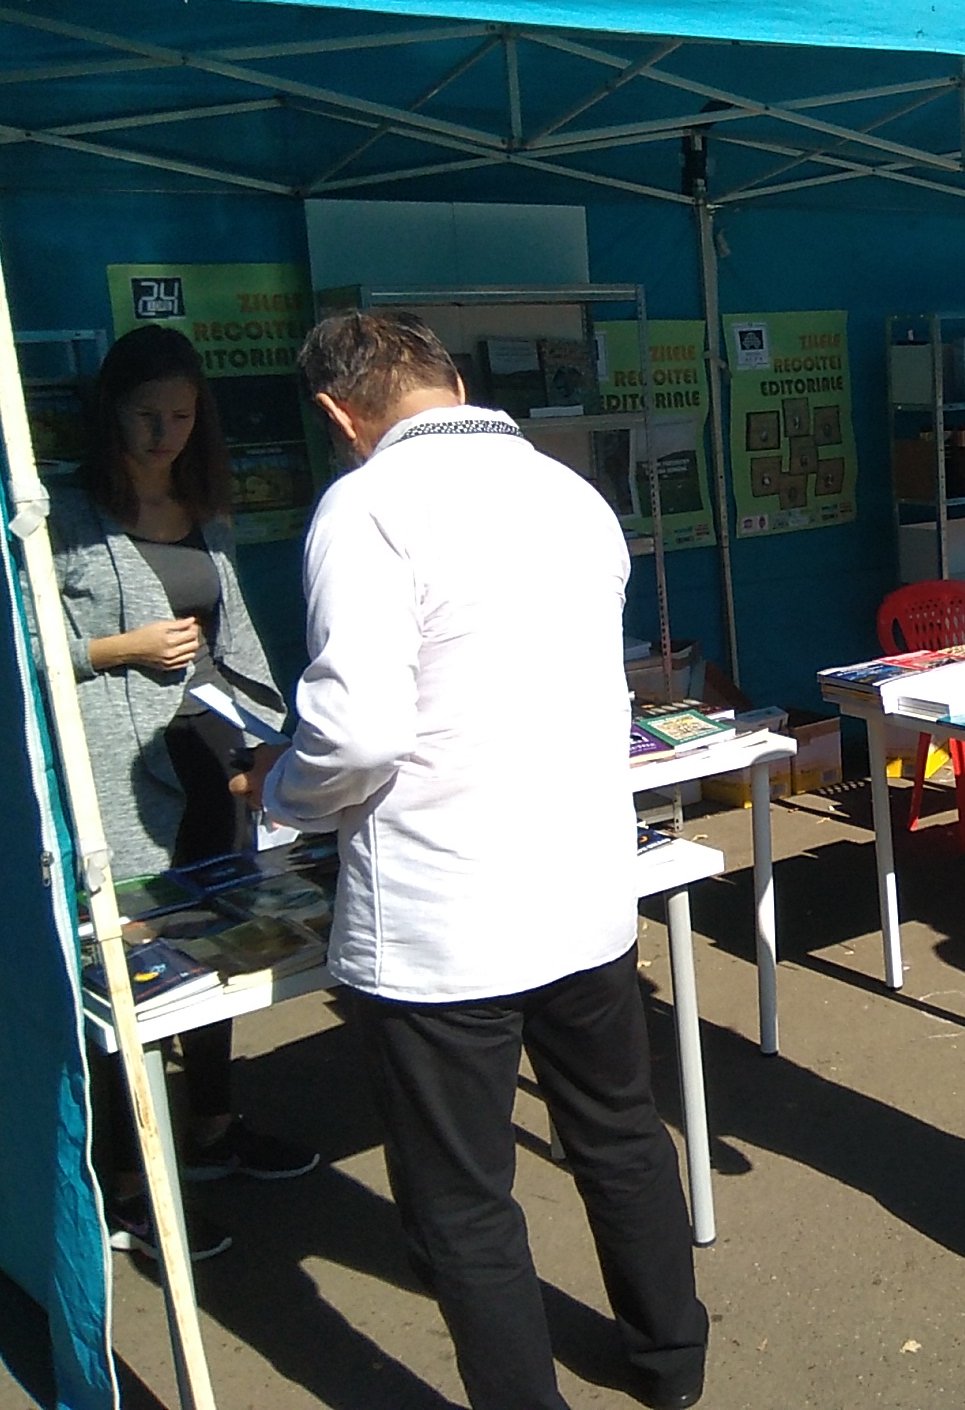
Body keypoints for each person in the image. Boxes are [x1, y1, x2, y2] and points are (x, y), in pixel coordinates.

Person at [257, 312, 708, 1410]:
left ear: (337, 415)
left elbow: (358, 734)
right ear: (453, 382)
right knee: (618, 1135)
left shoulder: (365, 505)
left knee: (463, 1202)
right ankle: (672, 1362)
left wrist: (279, 795)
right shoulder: (570, 493)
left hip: (442, 916)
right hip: (581, 888)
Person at [51, 324, 319, 1262]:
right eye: (146, 414)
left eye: (181, 415)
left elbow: (235, 642)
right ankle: (125, 1181)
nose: (164, 433)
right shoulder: (64, 516)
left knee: (218, 940)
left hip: (210, 758)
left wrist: (268, 743)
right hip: (120, 770)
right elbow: (17, 647)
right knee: (128, 959)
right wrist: (114, 649)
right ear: (110, 411)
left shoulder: (204, 511)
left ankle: (211, 1127)